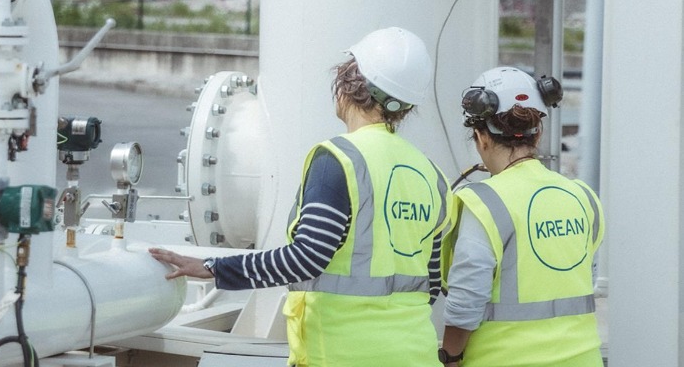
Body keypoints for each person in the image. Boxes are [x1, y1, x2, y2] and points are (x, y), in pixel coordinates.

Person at [150, 27, 454, 366]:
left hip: (341, 356)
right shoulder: (432, 175)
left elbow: (307, 257)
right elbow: (430, 283)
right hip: (416, 355)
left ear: (347, 85)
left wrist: (214, 268)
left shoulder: (339, 160)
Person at [440, 67, 604, 366]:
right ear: (538, 132)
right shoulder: (582, 196)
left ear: (481, 137)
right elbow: (585, 280)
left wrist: (449, 356)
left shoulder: (485, 202)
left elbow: (466, 301)